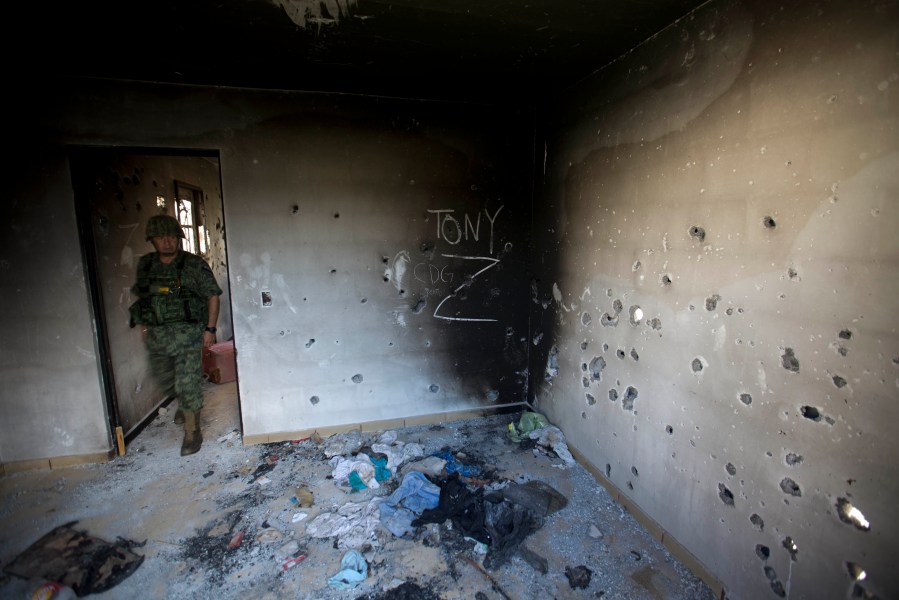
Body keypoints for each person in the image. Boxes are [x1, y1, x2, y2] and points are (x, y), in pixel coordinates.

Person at [129, 214, 222, 455]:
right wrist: (144, 328)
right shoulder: (147, 265)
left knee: (187, 381)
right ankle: (183, 401)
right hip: (159, 335)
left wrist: (210, 329)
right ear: (152, 240)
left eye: (171, 236)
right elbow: (143, 299)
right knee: (165, 378)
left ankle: (193, 432)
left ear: (178, 238)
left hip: (188, 334)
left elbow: (212, 294)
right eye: (161, 237)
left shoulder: (194, 264)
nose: (167, 242)